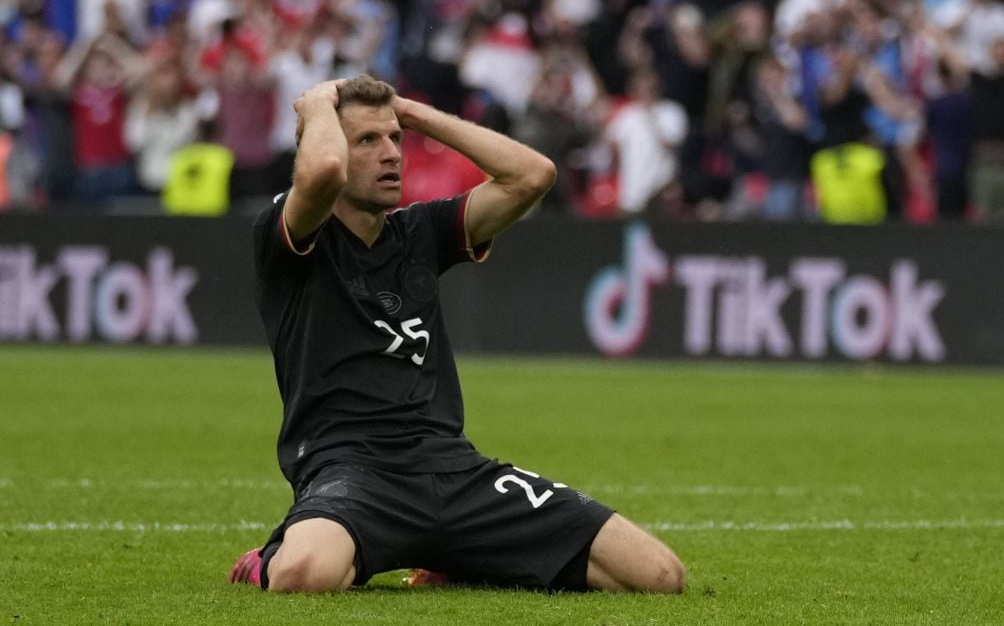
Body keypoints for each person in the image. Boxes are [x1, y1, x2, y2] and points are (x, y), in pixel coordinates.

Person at [227, 75, 685, 594]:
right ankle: (267, 559)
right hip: (352, 472)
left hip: (453, 470)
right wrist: (315, 106)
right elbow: (324, 170)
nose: (391, 154)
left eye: (395, 139)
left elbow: (533, 176)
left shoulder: (421, 231)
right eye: (368, 141)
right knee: (303, 575)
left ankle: (458, 557)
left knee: (659, 577)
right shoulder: (288, 235)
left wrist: (415, 113)